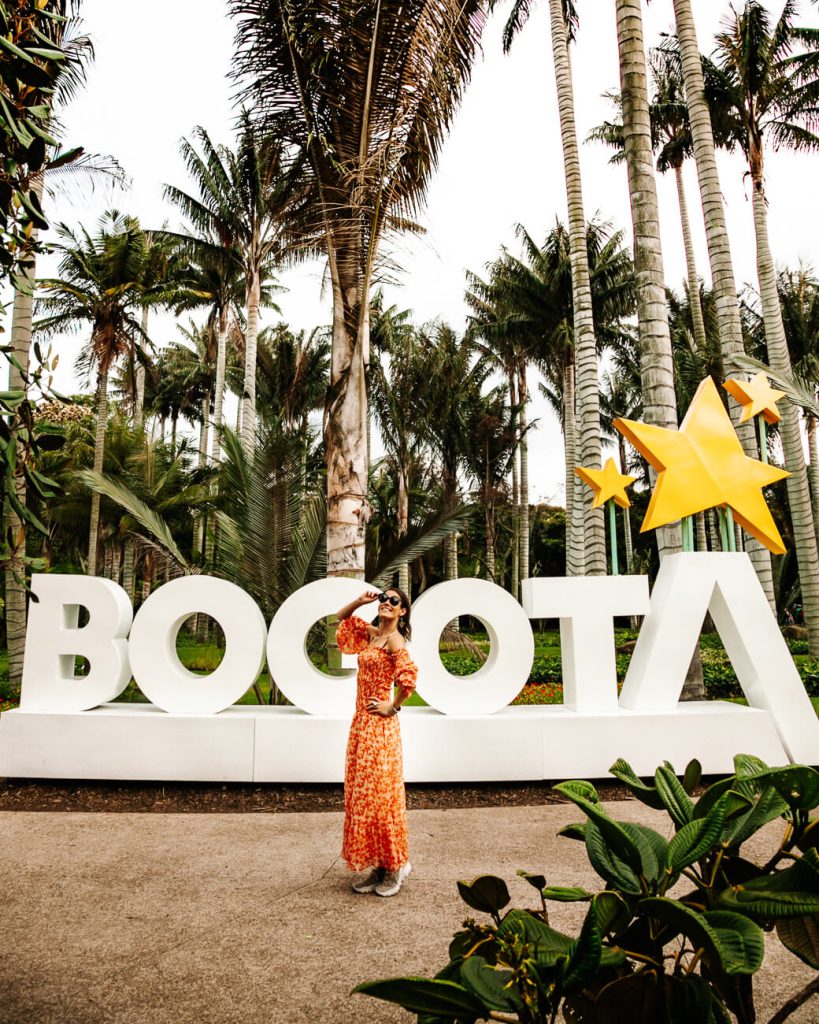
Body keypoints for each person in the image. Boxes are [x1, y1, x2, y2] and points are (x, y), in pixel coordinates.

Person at [335, 587, 418, 897]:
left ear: (402, 612)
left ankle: (398, 865)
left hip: (380, 728)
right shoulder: (372, 635)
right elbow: (341, 621)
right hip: (362, 725)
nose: (386, 602)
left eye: (394, 601)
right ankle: (379, 866)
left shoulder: (395, 640)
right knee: (366, 799)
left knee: (383, 799)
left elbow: (408, 677)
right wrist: (360, 601)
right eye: (384, 598)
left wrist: (392, 706)